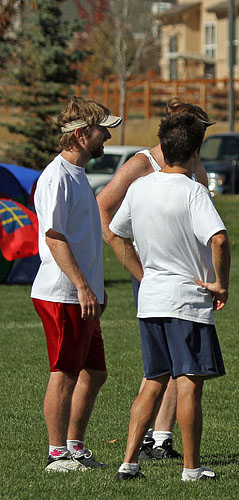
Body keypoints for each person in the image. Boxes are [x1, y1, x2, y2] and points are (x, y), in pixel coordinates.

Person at [107, 113, 230, 481]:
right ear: (195, 153)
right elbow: (219, 239)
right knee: (189, 381)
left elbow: (115, 234)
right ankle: (191, 468)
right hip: (186, 301)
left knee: (154, 379)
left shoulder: (141, 187)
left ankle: (128, 462)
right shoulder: (193, 191)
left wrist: (144, 276)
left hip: (151, 300)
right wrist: (221, 284)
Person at [31, 97, 121, 472]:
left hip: (82, 294)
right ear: (82, 135)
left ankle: (74, 447)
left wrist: (95, 289)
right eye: (103, 130)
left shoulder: (77, 175)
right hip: (63, 293)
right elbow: (54, 236)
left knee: (95, 372)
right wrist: (83, 287)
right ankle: (56, 455)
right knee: (65, 373)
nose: (108, 137)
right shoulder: (56, 177)